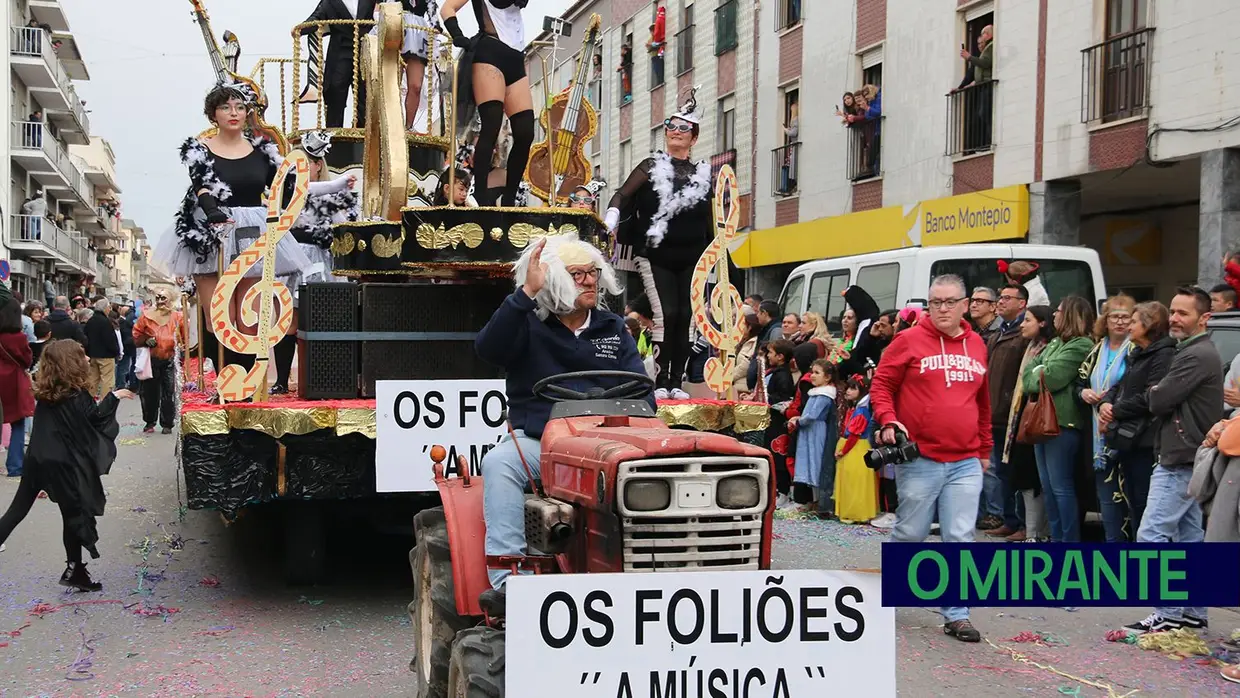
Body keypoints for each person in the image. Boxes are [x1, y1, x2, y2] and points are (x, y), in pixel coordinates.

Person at [473, 234, 652, 613]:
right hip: (543, 441)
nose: (590, 281)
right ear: (551, 279)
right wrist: (525, 294)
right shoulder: (526, 323)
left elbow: (642, 391)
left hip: (609, 439)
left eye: (593, 272)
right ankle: (511, 579)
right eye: (577, 274)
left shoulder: (613, 327)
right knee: (500, 463)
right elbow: (488, 349)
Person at [153, 83, 325, 373]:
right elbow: (202, 186)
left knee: (248, 319)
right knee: (217, 318)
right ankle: (225, 379)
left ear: (247, 113)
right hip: (210, 233)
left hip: (250, 233)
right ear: (213, 114)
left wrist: (331, 185)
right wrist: (212, 213)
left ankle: (243, 387)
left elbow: (288, 189)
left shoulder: (264, 153)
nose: (233, 113)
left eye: (239, 107)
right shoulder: (200, 150)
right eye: (225, 107)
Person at [870, 274, 991, 643]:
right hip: (920, 458)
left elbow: (982, 403)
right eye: (935, 302)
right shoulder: (908, 340)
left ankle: (957, 613)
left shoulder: (977, 345)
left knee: (960, 537)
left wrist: (984, 450)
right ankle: (886, 600)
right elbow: (882, 385)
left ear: (965, 304)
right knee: (911, 533)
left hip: (966, 459)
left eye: (950, 301)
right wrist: (888, 419)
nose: (942, 308)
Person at [1122, 287, 1222, 634]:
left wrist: (1154, 392)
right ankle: (1193, 612)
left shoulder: (1196, 354)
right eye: (1173, 312)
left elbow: (1159, 399)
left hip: (1181, 458)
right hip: (1187, 454)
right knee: (1188, 539)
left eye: (1184, 314)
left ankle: (1167, 613)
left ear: (1204, 318)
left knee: (1151, 536)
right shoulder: (1193, 351)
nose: (1175, 319)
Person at [605, 89, 715, 399]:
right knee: (666, 314)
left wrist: (719, 254)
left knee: (685, 316)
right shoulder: (650, 166)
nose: (675, 132)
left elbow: (712, 217)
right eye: (671, 125)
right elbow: (623, 195)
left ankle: (676, 382)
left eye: (683, 128)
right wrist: (611, 218)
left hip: (693, 255)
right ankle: (660, 380)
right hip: (656, 254)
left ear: (694, 138)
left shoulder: (704, 174)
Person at [0, 340, 135, 591]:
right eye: (81, 355)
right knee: (73, 516)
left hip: (37, 459)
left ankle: (76, 572)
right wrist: (114, 396)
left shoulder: (49, 391)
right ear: (70, 362)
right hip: (63, 464)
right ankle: (75, 570)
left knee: (17, 511)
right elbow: (93, 420)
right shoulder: (76, 393)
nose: (86, 359)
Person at [274, 131, 360, 394]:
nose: (304, 166)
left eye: (309, 161)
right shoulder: (287, 190)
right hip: (291, 258)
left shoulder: (333, 197)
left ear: (318, 164)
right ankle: (281, 379)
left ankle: (318, 377)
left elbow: (343, 228)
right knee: (289, 319)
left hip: (320, 261)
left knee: (321, 318)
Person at [442, 0, 534, 206]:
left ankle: (509, 198)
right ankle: (481, 196)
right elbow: (447, 9)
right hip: (489, 53)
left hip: (516, 58)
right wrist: (458, 35)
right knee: (491, 126)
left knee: (526, 132)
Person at [1020, 295, 1094, 543]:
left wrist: (1040, 372)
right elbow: (1029, 375)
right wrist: (1039, 373)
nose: (1054, 315)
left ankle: (1068, 540)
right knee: (1048, 487)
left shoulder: (1081, 345)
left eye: (1059, 311)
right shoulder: (1054, 343)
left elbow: (1050, 378)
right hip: (1042, 423)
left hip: (1063, 425)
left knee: (1061, 487)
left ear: (1071, 314)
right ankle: (1055, 536)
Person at [1096, 301, 1173, 538]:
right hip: (1128, 439)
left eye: (1134, 321)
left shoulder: (1164, 354)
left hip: (1146, 441)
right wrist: (1106, 404)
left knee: (1143, 501)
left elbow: (1151, 396)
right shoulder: (1137, 353)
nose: (1128, 326)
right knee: (1132, 499)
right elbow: (1120, 384)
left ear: (1149, 325)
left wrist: (1116, 410)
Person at [1077, 294, 1135, 542]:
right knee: (1106, 497)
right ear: (1106, 320)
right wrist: (1084, 392)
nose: (1120, 322)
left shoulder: (1135, 348)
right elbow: (1078, 382)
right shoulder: (1097, 347)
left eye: (1125, 317)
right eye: (1115, 317)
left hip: (1125, 430)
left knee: (1128, 497)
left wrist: (1110, 404)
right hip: (1096, 435)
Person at [980, 283, 1030, 538]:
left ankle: (1021, 523)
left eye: (1007, 298)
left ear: (1022, 303)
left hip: (1011, 412)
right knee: (1000, 470)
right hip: (993, 411)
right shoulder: (1000, 331)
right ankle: (1009, 519)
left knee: (1012, 470)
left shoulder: (1023, 333)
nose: (1001, 301)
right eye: (1000, 297)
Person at [1003, 306, 1054, 542]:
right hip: (1021, 418)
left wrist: (1032, 377)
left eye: (1028, 320)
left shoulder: (1047, 349)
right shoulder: (1029, 347)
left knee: (1034, 478)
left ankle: (1037, 533)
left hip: (1037, 419)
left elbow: (1034, 381)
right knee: (1023, 476)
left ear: (1043, 323)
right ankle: (1030, 529)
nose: (1022, 324)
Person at [301, 0, 378, 128]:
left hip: (365, 51)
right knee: (335, 90)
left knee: (365, 92)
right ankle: (334, 134)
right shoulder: (330, 1)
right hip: (340, 51)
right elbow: (316, 18)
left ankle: (365, 133)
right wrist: (300, 29)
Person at [787, 359, 837, 514]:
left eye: (817, 373)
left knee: (815, 463)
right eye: (812, 372)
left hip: (815, 432)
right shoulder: (816, 393)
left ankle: (819, 501)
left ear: (827, 377)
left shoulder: (824, 395)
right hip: (809, 431)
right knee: (809, 463)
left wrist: (798, 421)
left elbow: (812, 415)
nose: (812, 376)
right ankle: (813, 501)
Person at [132, 291, 187, 435]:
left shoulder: (178, 317)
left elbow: (186, 337)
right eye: (158, 298)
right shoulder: (146, 316)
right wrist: (145, 340)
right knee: (149, 393)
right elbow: (136, 333)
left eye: (163, 298)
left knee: (169, 393)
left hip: (170, 359)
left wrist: (182, 349)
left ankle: (167, 423)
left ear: (170, 300)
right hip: (151, 360)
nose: (160, 301)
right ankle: (149, 422)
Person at [835, 373, 877, 524]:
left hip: (856, 449)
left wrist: (843, 451)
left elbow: (854, 435)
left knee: (854, 481)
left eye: (853, 389)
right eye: (848, 388)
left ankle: (855, 512)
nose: (848, 391)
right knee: (853, 481)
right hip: (854, 447)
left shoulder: (861, 411)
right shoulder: (856, 409)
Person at [1, 299, 35, 477]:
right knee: (18, 423)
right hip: (14, 381)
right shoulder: (19, 337)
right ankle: (15, 466)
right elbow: (27, 360)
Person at [83, 298, 120, 400]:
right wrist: (116, 351)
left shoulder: (90, 321)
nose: (109, 310)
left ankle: (88, 400)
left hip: (93, 355)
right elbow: (110, 340)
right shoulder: (105, 322)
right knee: (107, 380)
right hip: (106, 356)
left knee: (93, 379)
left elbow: (86, 337)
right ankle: (105, 402)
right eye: (109, 307)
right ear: (105, 308)